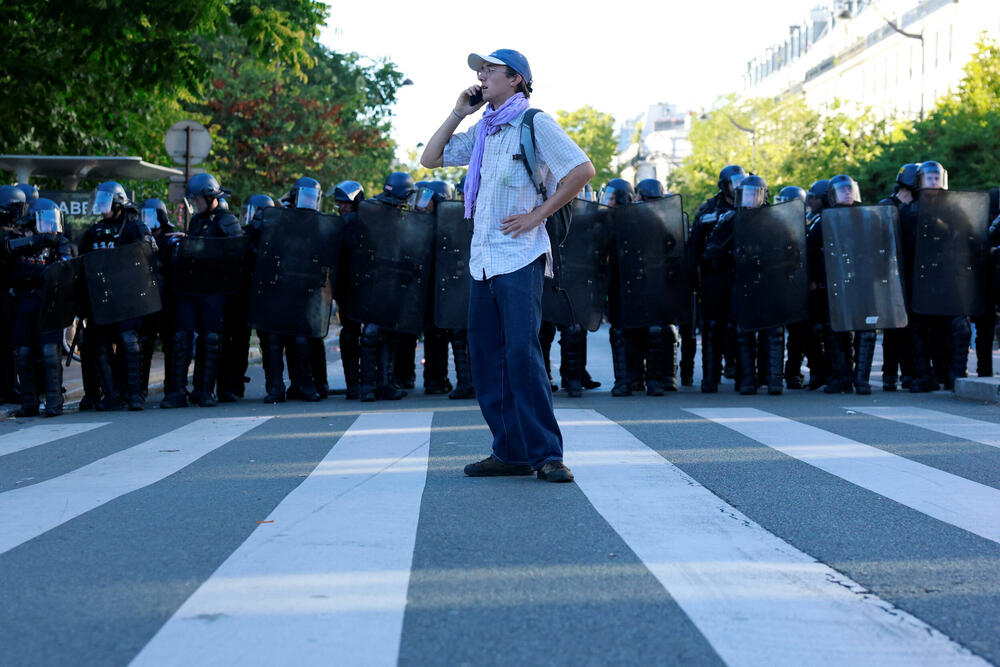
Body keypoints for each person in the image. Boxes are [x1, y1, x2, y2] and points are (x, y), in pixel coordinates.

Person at [420, 48, 594, 483]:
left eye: (490, 69)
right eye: (480, 70)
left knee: (521, 354)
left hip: (520, 256)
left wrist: (538, 215)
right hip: (483, 261)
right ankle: (510, 451)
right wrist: (458, 112)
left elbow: (582, 170)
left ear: (516, 79)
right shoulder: (484, 129)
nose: (481, 75)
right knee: (486, 359)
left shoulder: (534, 123)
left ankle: (547, 454)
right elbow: (430, 158)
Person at [160, 173, 242, 409]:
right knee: (181, 337)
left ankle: (204, 390)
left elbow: (235, 253)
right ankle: (177, 391)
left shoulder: (228, 221)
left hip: (214, 289)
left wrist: (196, 244)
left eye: (197, 198)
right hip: (191, 288)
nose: (195, 203)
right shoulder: (196, 221)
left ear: (209, 196)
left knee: (211, 339)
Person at [78, 181, 155, 411]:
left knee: (129, 342)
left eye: (106, 202)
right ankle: (111, 395)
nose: (102, 208)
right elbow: (82, 260)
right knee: (99, 344)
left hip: (127, 298)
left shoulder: (134, 228)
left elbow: (149, 252)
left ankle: (134, 395)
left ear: (118, 203)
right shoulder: (94, 231)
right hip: (101, 298)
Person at [1, 198, 74, 416]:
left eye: (53, 221)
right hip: (24, 301)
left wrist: (42, 272)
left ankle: (54, 402)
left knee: (50, 352)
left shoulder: (59, 242)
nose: (51, 226)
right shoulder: (16, 238)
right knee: (24, 353)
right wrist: (35, 241)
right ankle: (29, 404)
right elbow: (7, 254)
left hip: (48, 301)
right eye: (46, 220)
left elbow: (64, 266)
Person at [691, 165, 745, 392]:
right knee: (712, 326)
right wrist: (691, 278)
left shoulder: (752, 203)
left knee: (741, 326)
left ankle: (745, 378)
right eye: (734, 182)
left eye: (741, 181)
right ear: (724, 186)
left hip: (742, 275)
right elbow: (694, 245)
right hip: (715, 275)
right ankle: (710, 377)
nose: (738, 186)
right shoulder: (709, 209)